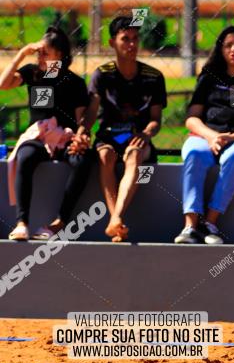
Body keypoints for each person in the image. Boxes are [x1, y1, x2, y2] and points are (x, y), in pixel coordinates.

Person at [174, 26, 234, 245]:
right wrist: (210, 136)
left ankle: (210, 224)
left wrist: (230, 138)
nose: (233, 49)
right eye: (228, 45)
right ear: (220, 49)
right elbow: (192, 118)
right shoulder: (209, 78)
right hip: (206, 138)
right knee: (194, 154)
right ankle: (190, 226)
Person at [0, 27, 92, 241]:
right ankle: (22, 222)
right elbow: (3, 84)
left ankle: (59, 221)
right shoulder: (33, 73)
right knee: (25, 156)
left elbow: (81, 119)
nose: (39, 56)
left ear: (59, 55)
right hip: (39, 137)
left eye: (45, 52)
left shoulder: (74, 82)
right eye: (38, 52)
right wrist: (22, 53)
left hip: (64, 138)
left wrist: (81, 136)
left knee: (83, 160)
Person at [83, 15, 167, 243]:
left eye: (135, 38)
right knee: (105, 155)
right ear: (112, 43)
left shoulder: (153, 77)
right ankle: (116, 219)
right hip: (109, 135)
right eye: (125, 39)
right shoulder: (103, 74)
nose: (131, 44)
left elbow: (156, 119)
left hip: (138, 138)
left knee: (135, 154)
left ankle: (115, 218)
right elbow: (92, 112)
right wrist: (83, 130)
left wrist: (146, 134)